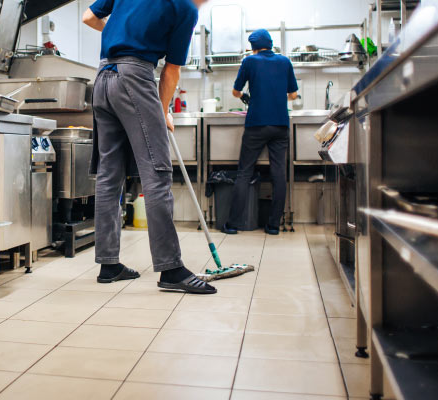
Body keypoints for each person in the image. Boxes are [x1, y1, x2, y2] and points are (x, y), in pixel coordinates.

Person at [83, 0, 216, 294]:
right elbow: (171, 72)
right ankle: (171, 270)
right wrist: (163, 109)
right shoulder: (185, 8)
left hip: (102, 79)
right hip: (134, 77)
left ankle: (109, 265)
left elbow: (88, 17)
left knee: (109, 175)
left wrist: (117, 35)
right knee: (157, 172)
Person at [223, 29, 299, 236]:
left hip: (256, 124)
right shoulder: (285, 62)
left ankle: (233, 224)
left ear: (254, 47)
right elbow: (293, 95)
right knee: (278, 174)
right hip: (280, 125)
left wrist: (247, 95)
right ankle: (274, 225)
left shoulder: (249, 61)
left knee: (244, 172)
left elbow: (236, 91)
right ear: (270, 44)